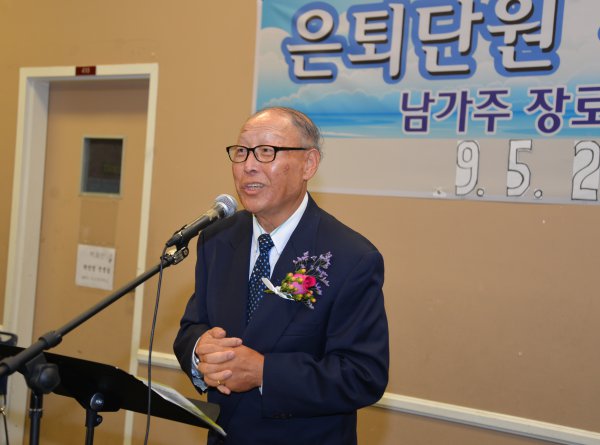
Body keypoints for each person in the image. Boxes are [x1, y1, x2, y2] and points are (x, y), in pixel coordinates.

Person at [173, 107, 389, 445]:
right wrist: (201, 350)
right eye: (241, 152)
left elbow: (363, 375)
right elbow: (192, 327)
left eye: (266, 151)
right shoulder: (217, 239)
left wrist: (264, 373)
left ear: (309, 164)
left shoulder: (351, 256)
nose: (248, 165)